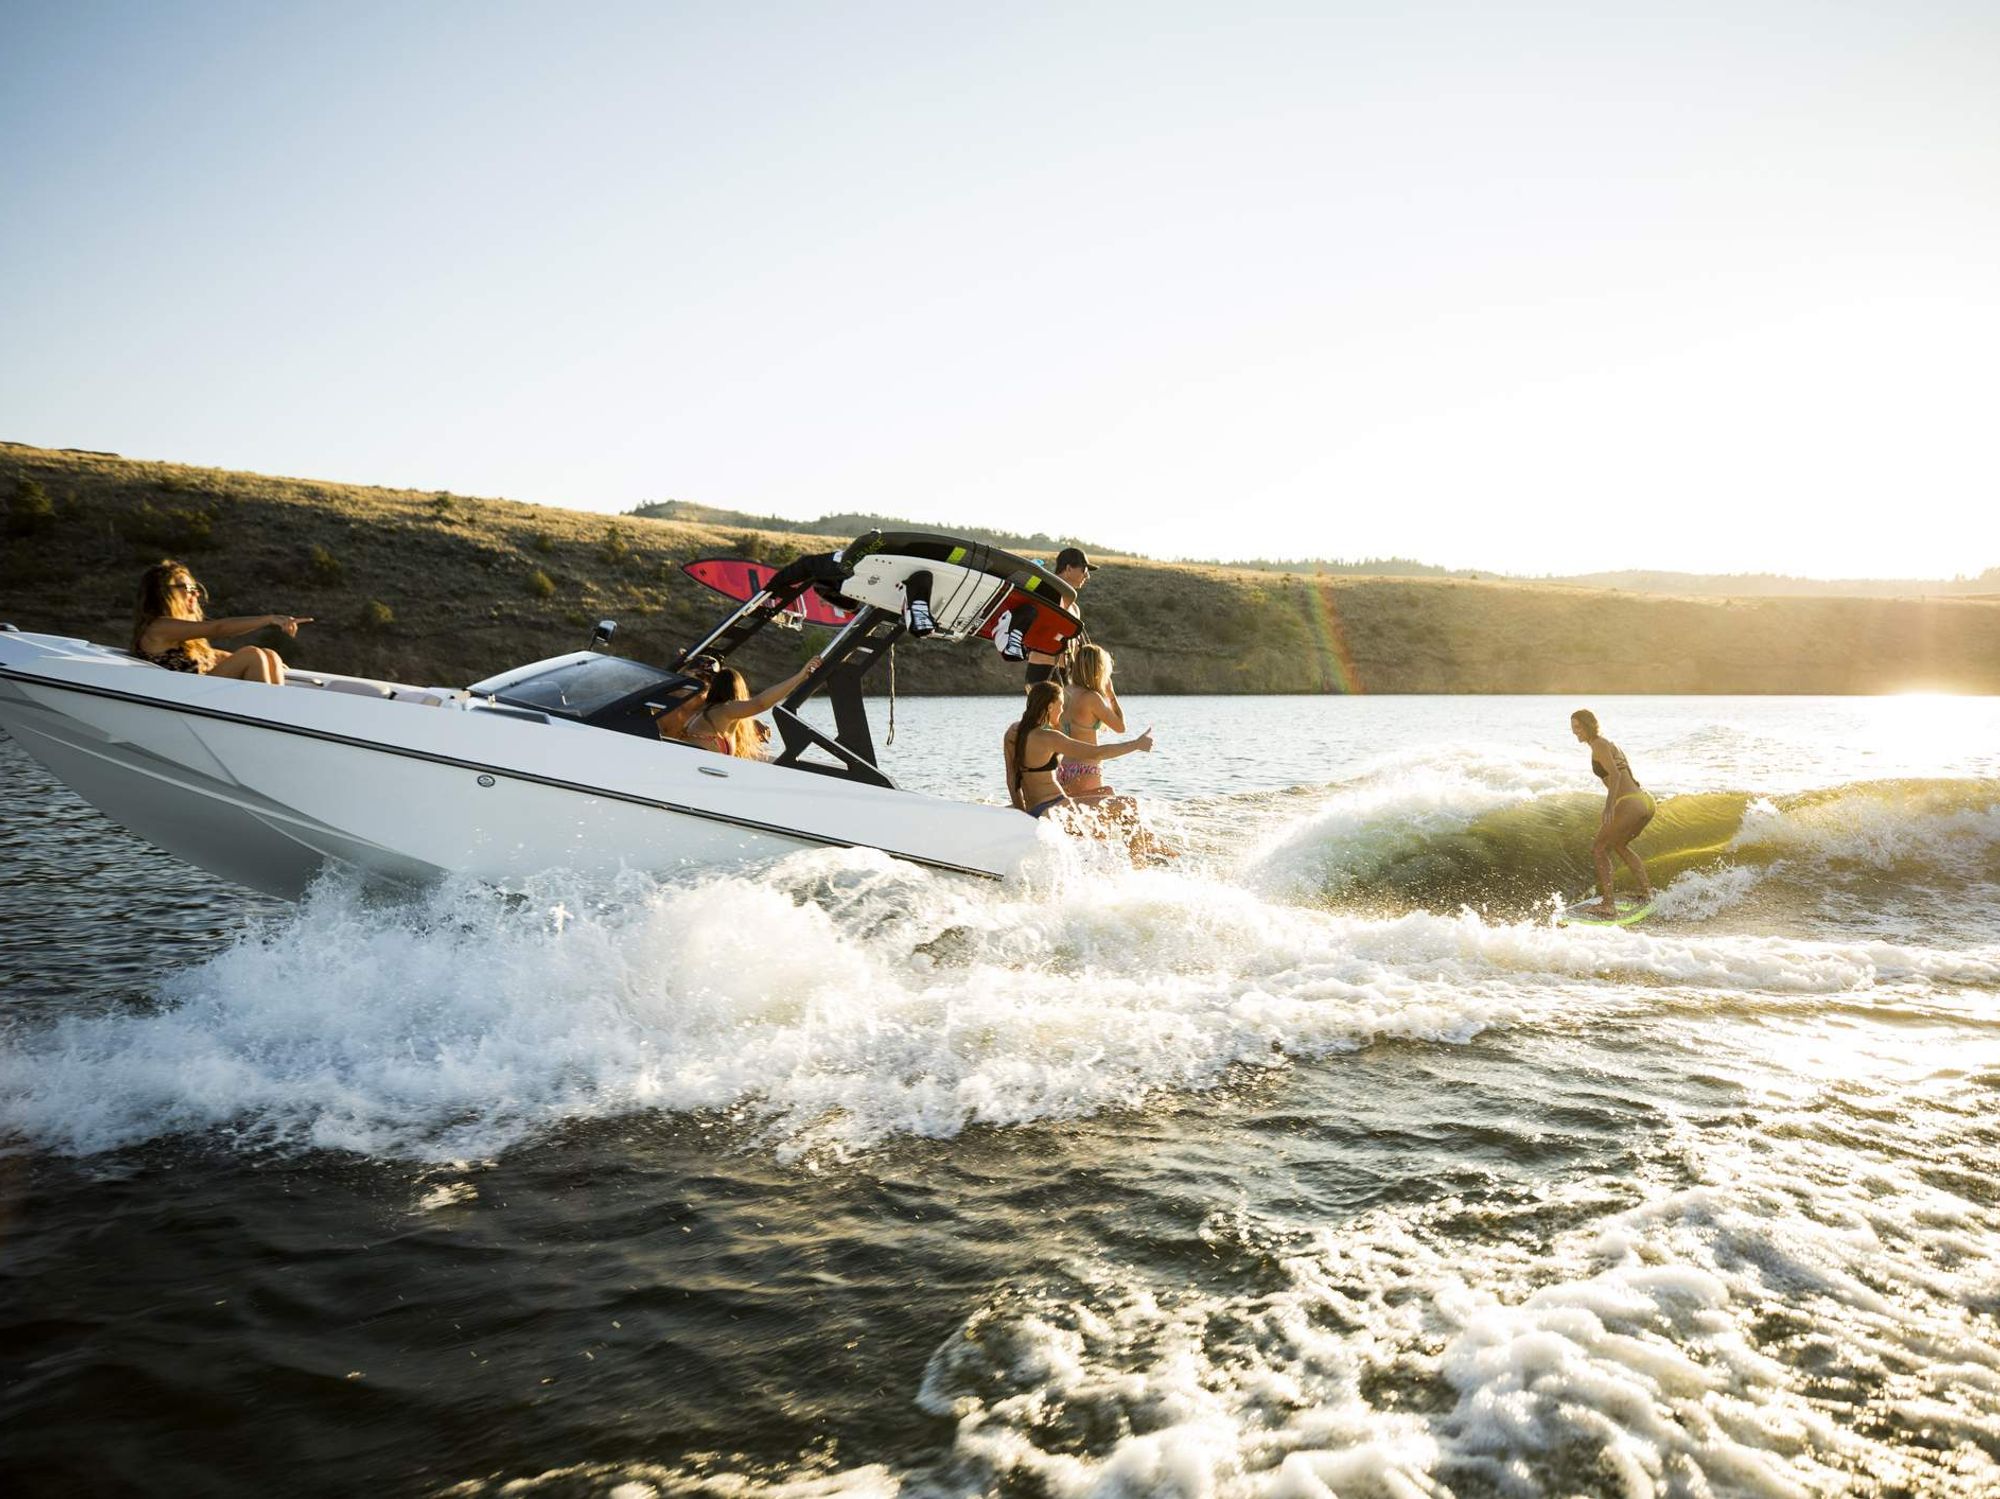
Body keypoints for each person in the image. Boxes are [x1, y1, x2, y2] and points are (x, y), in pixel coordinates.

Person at [131, 560, 310, 684]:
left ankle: (275, 713)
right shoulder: (158, 627)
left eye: (195, 587)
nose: (196, 593)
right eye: (188, 587)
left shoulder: (178, 635)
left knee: (269, 654)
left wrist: (270, 661)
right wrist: (269, 619)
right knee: (252, 655)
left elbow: (212, 654)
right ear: (163, 592)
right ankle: (270, 715)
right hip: (181, 700)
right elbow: (218, 628)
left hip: (193, 695)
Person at [1004, 679, 1152, 818]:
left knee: (1107, 791)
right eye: (1061, 705)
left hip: (1040, 807)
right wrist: (1136, 744)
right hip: (1054, 807)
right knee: (1129, 804)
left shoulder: (1013, 732)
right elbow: (1097, 753)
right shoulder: (1049, 738)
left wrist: (1022, 813)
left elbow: (1011, 778)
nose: (1062, 711)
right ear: (1050, 707)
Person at [1571, 708, 1656, 915]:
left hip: (1629, 801)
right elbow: (1627, 774)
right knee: (1619, 845)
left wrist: (1610, 805)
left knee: (1598, 848)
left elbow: (1616, 776)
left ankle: (1608, 904)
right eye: (1573, 727)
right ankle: (1647, 891)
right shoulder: (1610, 744)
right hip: (1644, 800)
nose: (1575, 731)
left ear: (1589, 725)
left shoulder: (1598, 744)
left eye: (1578, 727)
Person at [671, 656, 824, 757]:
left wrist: (752, 722)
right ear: (739, 690)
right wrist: (800, 676)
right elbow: (760, 703)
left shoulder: (710, 710)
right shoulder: (725, 709)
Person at [1055, 643, 1125, 804]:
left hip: (1064, 768)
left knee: (1078, 811)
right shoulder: (1092, 698)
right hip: (1087, 769)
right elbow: (1120, 727)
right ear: (1099, 669)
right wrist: (1111, 695)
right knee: (1103, 809)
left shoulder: (1064, 692)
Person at [1024, 546, 1095, 688]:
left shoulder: (1074, 608)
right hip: (1042, 670)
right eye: (1084, 570)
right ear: (1068, 568)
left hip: (1066, 672)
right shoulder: (1045, 594)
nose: (1087, 576)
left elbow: (1074, 644)